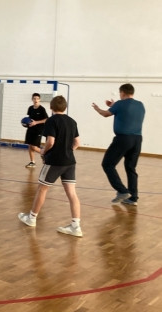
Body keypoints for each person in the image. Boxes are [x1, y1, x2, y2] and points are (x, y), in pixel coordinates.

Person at [18, 96, 83, 237]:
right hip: (70, 162)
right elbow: (77, 142)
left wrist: (43, 151)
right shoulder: (72, 121)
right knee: (72, 194)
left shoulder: (52, 120)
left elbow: (50, 142)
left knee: (42, 189)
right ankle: (76, 226)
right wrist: (68, 152)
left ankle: (32, 218)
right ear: (65, 107)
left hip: (54, 161)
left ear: (51, 107)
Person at [92, 83, 145, 206]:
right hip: (137, 139)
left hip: (123, 139)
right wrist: (113, 105)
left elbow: (105, 114)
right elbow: (127, 111)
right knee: (131, 168)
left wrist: (97, 109)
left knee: (107, 164)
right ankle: (133, 198)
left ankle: (122, 191)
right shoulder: (140, 104)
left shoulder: (120, 104)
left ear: (122, 92)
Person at [24, 93, 49, 167]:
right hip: (30, 129)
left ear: (39, 100)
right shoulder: (30, 108)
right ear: (32, 99)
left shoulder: (42, 109)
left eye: (37, 99)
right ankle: (32, 162)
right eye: (34, 98)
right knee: (30, 145)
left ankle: (43, 153)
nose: (36, 100)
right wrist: (26, 123)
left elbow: (46, 119)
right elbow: (29, 118)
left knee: (34, 147)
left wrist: (36, 122)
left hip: (39, 130)